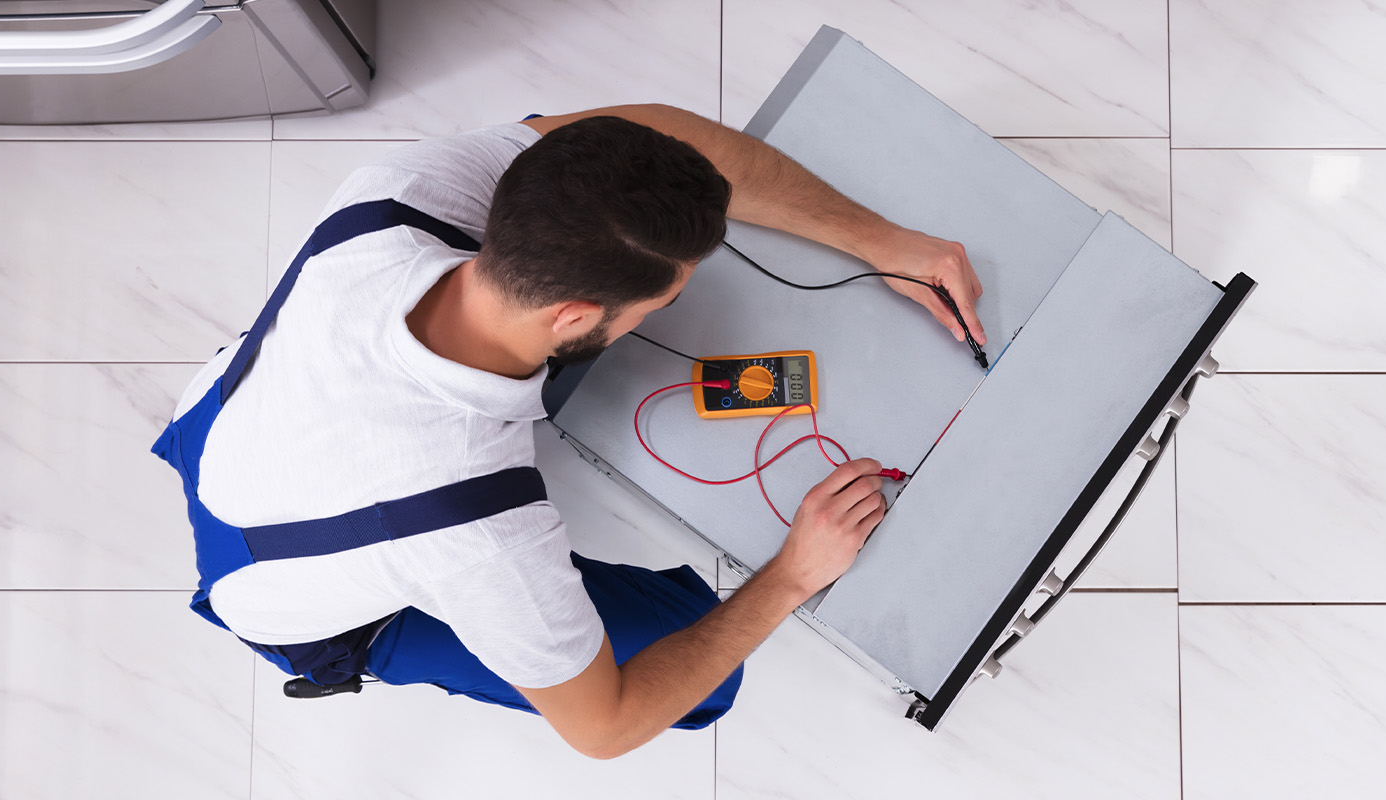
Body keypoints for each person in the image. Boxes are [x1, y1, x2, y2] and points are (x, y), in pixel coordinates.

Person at [152, 105, 985, 759]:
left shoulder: (404, 190)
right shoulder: (475, 526)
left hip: (231, 420)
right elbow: (605, 730)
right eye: (666, 300)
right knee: (689, 672)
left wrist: (881, 241)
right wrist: (793, 576)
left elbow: (657, 133)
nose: (678, 304)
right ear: (578, 314)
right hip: (283, 596)